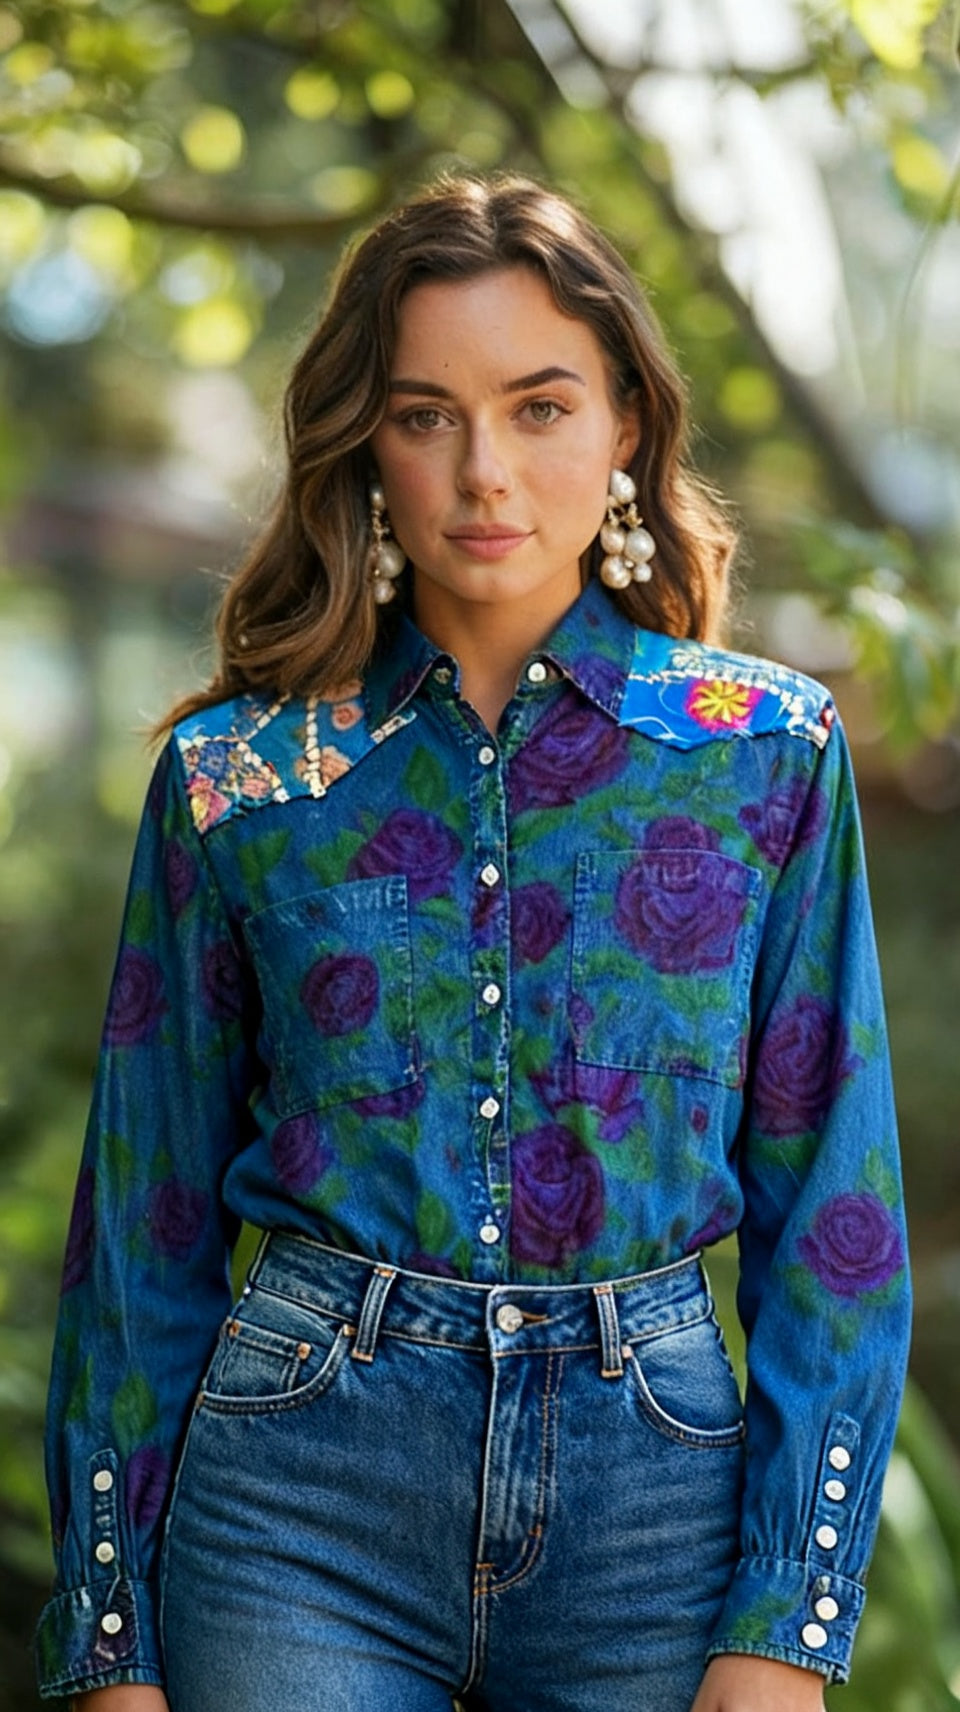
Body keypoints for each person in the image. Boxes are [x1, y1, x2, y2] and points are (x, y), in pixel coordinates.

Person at [36, 174, 910, 1712]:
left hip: (663, 1520)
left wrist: (791, 1617)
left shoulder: (766, 751)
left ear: (627, 421)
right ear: (365, 444)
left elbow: (835, 1210)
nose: (484, 472)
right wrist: (112, 1645)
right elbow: (141, 1228)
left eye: (541, 407)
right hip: (300, 1500)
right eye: (426, 415)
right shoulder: (242, 782)